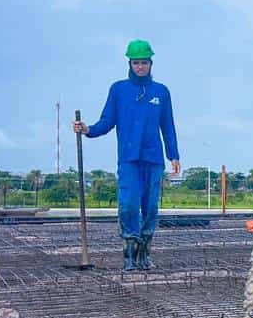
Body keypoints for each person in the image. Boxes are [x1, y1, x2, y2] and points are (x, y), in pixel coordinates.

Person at [72, 40, 180, 271]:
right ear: (129, 63)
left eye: (144, 62)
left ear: (151, 64)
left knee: (150, 207)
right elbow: (107, 121)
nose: (140, 67)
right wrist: (88, 129)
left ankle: (144, 253)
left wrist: (174, 154)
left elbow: (167, 125)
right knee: (129, 205)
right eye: (136, 62)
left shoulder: (161, 92)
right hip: (129, 158)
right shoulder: (118, 90)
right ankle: (129, 252)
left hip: (153, 158)